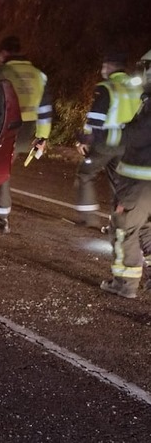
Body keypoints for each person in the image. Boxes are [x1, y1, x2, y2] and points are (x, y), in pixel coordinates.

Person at [0, 36, 53, 233]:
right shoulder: (39, 75)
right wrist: (42, 137)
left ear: (5, 53)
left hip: (5, 127)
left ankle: (1, 217)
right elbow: (45, 109)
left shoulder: (1, 72)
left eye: (0, 54)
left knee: (0, 167)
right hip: (27, 130)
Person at [100, 49, 151, 298]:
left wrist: (100, 135)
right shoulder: (146, 100)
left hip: (140, 180)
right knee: (146, 229)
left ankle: (125, 283)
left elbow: (137, 135)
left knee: (124, 227)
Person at [75, 51, 142, 229]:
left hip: (105, 142)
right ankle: (117, 224)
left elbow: (95, 118)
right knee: (119, 183)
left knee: (85, 173)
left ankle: (88, 216)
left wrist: (85, 140)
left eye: (104, 66)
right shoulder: (136, 88)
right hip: (127, 144)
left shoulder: (107, 87)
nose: (103, 69)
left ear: (110, 66)